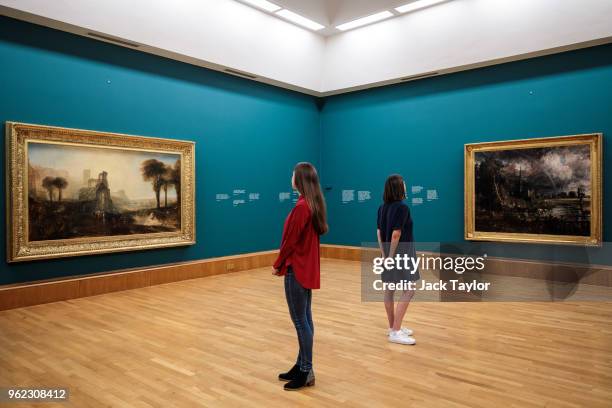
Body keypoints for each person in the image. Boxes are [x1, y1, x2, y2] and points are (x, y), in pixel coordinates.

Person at [273, 162, 328, 391]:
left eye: (292, 173)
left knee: (300, 321)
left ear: (300, 179)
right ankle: (301, 365)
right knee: (305, 319)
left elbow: (290, 242)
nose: (291, 176)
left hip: (296, 269)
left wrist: (278, 264)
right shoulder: (311, 205)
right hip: (304, 269)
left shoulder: (302, 207)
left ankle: (306, 370)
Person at [377, 174, 420, 345]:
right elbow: (396, 234)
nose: (406, 187)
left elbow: (379, 233)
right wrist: (391, 256)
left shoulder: (382, 208)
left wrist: (384, 255)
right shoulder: (402, 208)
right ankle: (396, 331)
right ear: (398, 188)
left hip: (389, 254)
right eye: (404, 184)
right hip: (401, 254)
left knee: (389, 290)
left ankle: (393, 327)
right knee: (409, 291)